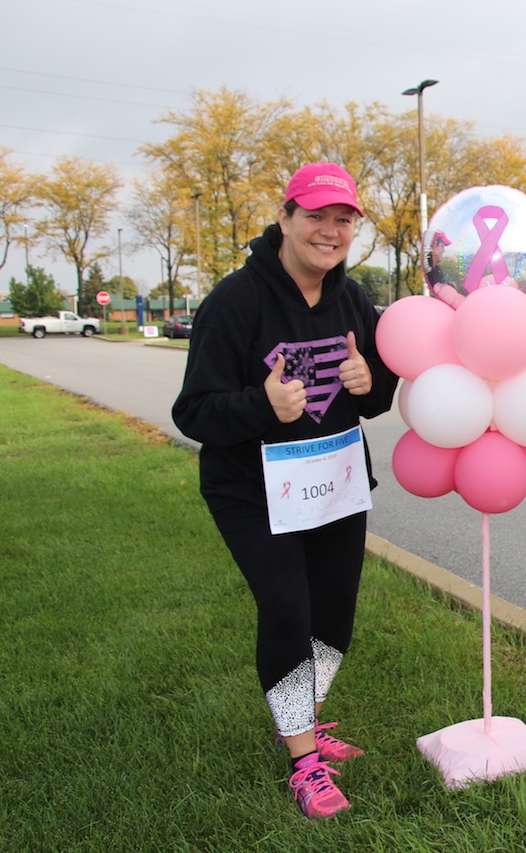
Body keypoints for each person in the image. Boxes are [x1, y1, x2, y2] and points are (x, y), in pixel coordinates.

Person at [171, 162, 399, 818]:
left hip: (334, 480)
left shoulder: (351, 297)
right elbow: (195, 412)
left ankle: (305, 715)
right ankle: (304, 760)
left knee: (334, 613)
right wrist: (261, 403)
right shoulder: (236, 301)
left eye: (344, 220)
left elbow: (379, 395)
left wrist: (370, 382)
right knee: (287, 609)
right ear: (286, 216)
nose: (330, 231)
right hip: (252, 489)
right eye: (317, 216)